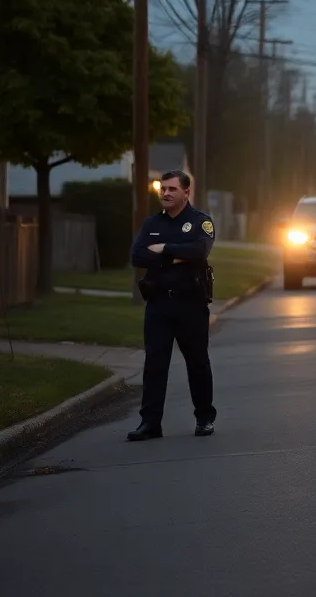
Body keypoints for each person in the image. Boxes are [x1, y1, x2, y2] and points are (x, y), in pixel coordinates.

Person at [126, 170, 217, 441]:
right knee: (154, 364)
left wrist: (163, 248)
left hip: (190, 303)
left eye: (172, 189)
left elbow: (199, 251)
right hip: (158, 305)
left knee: (197, 363)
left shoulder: (201, 222)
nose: (165, 193)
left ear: (186, 193)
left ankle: (204, 418)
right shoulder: (152, 223)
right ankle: (150, 423)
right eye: (162, 189)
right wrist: (176, 256)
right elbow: (137, 256)